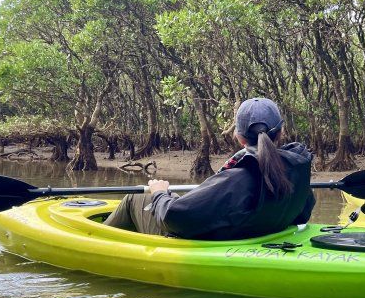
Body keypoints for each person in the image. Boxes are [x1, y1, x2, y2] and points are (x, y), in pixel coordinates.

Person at [103, 97, 315, 240]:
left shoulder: (235, 179)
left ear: (238, 136)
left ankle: (97, 240)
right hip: (255, 236)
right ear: (281, 132)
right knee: (171, 197)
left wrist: (159, 193)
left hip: (209, 244)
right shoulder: (298, 171)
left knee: (135, 197)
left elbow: (173, 218)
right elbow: (303, 213)